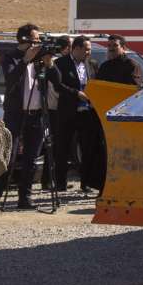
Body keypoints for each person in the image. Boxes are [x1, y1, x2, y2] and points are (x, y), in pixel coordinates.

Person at [0, 24, 55, 210]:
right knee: (7, 156)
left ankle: (25, 198)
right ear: (24, 40)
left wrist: (49, 64)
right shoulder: (11, 57)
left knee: (31, 159)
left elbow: (56, 80)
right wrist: (25, 60)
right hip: (16, 114)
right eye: (35, 39)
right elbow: (10, 79)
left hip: (36, 115)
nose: (38, 43)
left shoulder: (40, 59)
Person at [50, 36, 104, 193]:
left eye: (90, 49)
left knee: (87, 149)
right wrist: (76, 93)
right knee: (62, 148)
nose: (89, 52)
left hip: (87, 113)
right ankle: (60, 183)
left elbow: (97, 85)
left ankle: (86, 182)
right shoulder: (60, 63)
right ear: (77, 48)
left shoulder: (92, 65)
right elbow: (58, 85)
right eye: (86, 49)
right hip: (68, 113)